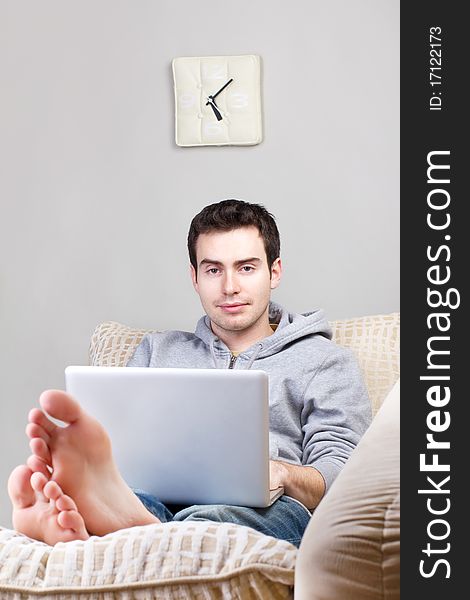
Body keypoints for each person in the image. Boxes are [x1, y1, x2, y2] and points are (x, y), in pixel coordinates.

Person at [8, 199, 371, 548]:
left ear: (274, 271)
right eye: (213, 270)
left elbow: (343, 471)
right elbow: (126, 448)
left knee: (221, 519)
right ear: (195, 277)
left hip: (266, 509)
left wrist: (281, 473)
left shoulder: (324, 360)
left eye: (246, 267)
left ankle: (119, 530)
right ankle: (125, 519)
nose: (230, 286)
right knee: (141, 499)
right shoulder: (157, 351)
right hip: (155, 496)